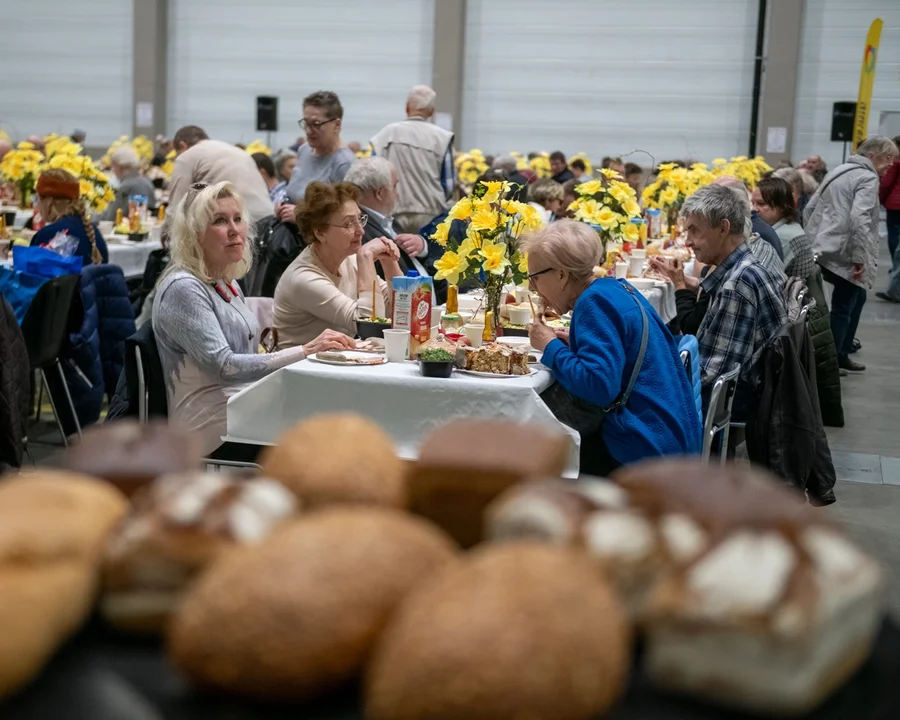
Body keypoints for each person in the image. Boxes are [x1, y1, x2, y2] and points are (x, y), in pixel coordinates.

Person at [153, 181, 354, 456]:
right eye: (220, 221)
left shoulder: (225, 280)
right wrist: (306, 350)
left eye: (238, 219)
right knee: (324, 437)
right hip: (211, 428)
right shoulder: (184, 288)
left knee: (334, 415)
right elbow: (224, 366)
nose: (235, 230)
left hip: (242, 405)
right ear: (194, 233)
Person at [523, 220, 701, 475]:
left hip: (643, 445)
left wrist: (549, 345)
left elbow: (599, 387)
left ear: (561, 275)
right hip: (671, 433)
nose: (532, 287)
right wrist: (575, 345)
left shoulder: (593, 302)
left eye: (535, 278)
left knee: (540, 455)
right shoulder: (618, 287)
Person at [680, 184, 787, 418]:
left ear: (723, 228)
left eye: (695, 231)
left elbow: (710, 375)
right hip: (746, 392)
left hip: (730, 403)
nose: (688, 241)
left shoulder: (737, 285)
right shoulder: (744, 267)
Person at [806, 136, 899, 371]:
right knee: (845, 304)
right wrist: (859, 257)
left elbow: (810, 207)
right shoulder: (868, 178)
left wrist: (813, 238)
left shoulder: (839, 170)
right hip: (843, 251)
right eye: (887, 158)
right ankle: (834, 358)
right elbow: (860, 219)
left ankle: (843, 349)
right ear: (871, 156)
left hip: (823, 247)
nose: (891, 164)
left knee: (856, 298)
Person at [273, 182, 402, 349]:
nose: (361, 231)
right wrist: (365, 256)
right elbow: (370, 326)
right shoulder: (304, 278)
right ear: (319, 232)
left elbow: (402, 311)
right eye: (348, 224)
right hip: (300, 369)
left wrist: (389, 262)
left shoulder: (349, 260)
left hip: (335, 363)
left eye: (360, 219)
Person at [344, 157, 444, 298]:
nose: (397, 193)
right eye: (395, 186)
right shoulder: (361, 230)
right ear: (380, 193)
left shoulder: (386, 219)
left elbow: (408, 255)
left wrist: (421, 246)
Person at [370, 85, 455, 234]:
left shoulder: (385, 134)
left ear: (407, 107)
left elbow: (372, 173)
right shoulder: (442, 137)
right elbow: (448, 185)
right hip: (431, 215)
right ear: (431, 111)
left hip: (392, 213)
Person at [167, 125, 274, 227]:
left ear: (182, 146)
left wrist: (166, 235)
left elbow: (176, 208)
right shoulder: (238, 152)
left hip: (241, 224)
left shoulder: (187, 156)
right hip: (269, 219)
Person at [285, 91, 357, 202]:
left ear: (337, 125)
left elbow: (348, 213)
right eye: (306, 123)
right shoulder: (304, 150)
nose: (308, 131)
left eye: (316, 124)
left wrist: (298, 215)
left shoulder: (344, 163)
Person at [31, 169, 109, 266]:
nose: (36, 205)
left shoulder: (48, 234)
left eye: (37, 199)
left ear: (47, 202)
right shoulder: (93, 232)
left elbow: (33, 278)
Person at [751, 177, 814, 280]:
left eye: (761, 204)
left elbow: (760, 276)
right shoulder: (788, 227)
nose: (754, 209)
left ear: (782, 207)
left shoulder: (783, 237)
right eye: (753, 203)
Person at [714, 176, 784, 261]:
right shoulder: (750, 226)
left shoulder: (755, 231)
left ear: (733, 202)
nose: (711, 208)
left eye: (715, 202)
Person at [102, 145, 157, 221]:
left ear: (121, 166)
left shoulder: (126, 186)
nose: (113, 170)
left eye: (113, 166)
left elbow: (111, 217)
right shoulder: (147, 182)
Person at [876, 137, 900, 304]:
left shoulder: (895, 163)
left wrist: (879, 200)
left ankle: (895, 271)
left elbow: (886, 184)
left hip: (895, 205)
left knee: (895, 241)